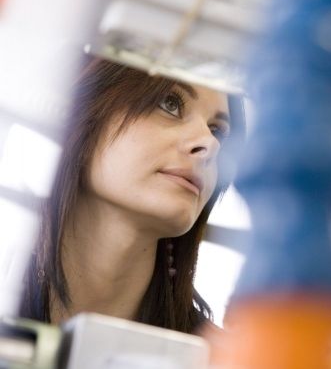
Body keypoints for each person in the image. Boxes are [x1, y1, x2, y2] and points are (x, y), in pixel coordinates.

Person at [20, 54, 245, 334]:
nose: (209, 144)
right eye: (170, 104)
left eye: (218, 132)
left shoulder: (219, 360)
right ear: (85, 110)